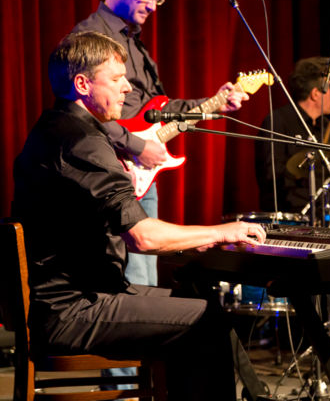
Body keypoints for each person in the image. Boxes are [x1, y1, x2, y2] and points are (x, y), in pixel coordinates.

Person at [11, 31, 266, 400]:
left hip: (65, 300)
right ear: (82, 84)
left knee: (198, 304)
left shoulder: (53, 128)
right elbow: (142, 238)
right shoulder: (83, 142)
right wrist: (223, 232)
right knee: (207, 321)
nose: (128, 88)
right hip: (74, 308)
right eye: (117, 78)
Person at [256, 56, 330, 215]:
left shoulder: (327, 127)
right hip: (287, 216)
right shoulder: (278, 121)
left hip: (322, 215)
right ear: (315, 94)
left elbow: (327, 172)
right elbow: (271, 176)